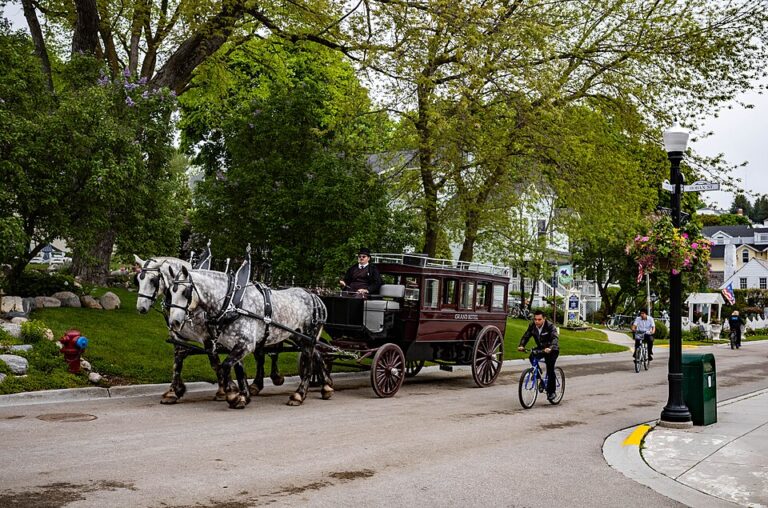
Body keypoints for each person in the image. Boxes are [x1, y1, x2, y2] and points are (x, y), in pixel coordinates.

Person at [517, 310, 560, 402]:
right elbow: (526, 336)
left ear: (544, 319)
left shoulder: (550, 326)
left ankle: (551, 392)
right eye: (535, 319)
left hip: (552, 349)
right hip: (541, 348)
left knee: (550, 368)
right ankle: (538, 375)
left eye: (539, 319)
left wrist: (551, 347)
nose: (537, 321)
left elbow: (554, 338)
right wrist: (522, 345)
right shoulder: (532, 325)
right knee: (532, 356)